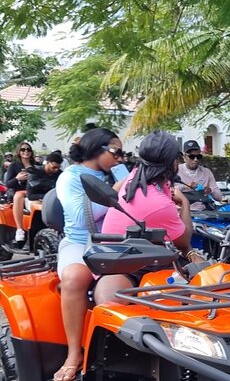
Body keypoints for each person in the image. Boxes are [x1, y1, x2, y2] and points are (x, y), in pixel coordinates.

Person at [97, 131, 204, 304]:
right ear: (172, 163)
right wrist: (184, 203)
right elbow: (184, 242)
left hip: (123, 256)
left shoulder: (134, 177)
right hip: (134, 267)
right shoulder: (158, 203)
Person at [54, 128, 124, 381]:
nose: (121, 158)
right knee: (74, 277)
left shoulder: (117, 173)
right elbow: (82, 216)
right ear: (97, 148)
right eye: (116, 152)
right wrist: (116, 190)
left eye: (123, 153)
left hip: (118, 243)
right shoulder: (70, 176)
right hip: (80, 242)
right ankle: (74, 353)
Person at [4, 142, 37, 246]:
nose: (26, 151)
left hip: (37, 193)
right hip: (21, 193)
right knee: (19, 195)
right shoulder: (14, 166)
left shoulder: (37, 166)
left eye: (28, 149)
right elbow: (8, 183)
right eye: (23, 149)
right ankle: (20, 229)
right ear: (19, 152)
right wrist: (17, 178)